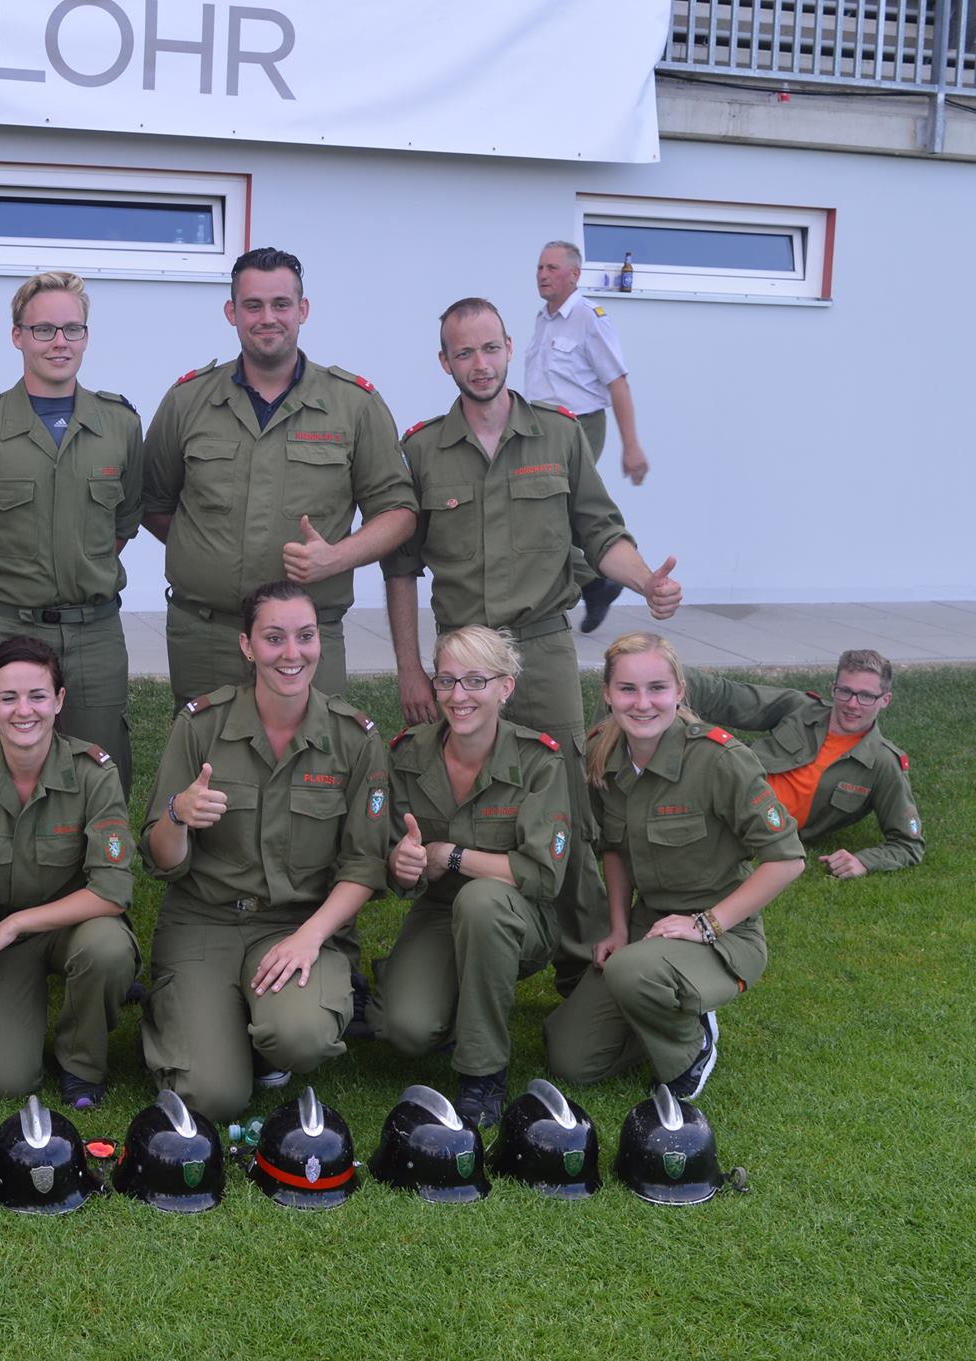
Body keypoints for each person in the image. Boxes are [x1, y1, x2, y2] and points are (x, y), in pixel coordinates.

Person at [385, 295, 681, 1000]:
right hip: (462, 658)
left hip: (541, 647)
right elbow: (400, 567)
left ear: (511, 347)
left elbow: (600, 531)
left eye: (490, 348)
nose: (480, 363)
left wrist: (645, 580)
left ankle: (582, 962)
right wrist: (410, 669)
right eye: (464, 352)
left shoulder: (559, 434)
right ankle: (476, 932)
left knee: (570, 796)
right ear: (444, 361)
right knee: (467, 791)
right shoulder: (422, 450)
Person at [140, 581, 390, 1121]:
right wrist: (178, 815)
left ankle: (258, 1035)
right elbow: (161, 860)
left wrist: (310, 938)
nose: (291, 653)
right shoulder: (201, 726)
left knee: (299, 1036)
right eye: (274, 638)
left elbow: (364, 864)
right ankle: (203, 1022)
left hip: (297, 924)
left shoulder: (355, 739)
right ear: (247, 646)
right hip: (205, 921)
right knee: (213, 1098)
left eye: (305, 636)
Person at [140, 247, 417, 703]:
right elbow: (152, 503)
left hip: (307, 637)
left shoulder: (354, 405)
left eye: (281, 304)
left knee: (312, 748)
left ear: (302, 310)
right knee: (204, 746)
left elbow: (399, 511)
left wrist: (337, 557)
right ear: (231, 312)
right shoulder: (188, 401)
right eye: (253, 305)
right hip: (207, 637)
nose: (267, 318)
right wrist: (206, 547)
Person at [544, 633, 806, 1100]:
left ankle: (693, 1046)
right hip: (649, 926)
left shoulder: (720, 760)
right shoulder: (603, 753)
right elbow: (613, 848)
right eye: (627, 689)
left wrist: (706, 924)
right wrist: (618, 928)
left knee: (631, 973)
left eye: (657, 688)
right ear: (607, 694)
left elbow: (787, 860)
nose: (642, 703)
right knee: (572, 1058)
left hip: (723, 933)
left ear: (680, 691)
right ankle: (659, 1005)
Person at [0, 272, 143, 794]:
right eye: (43, 329)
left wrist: (80, 570)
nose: (59, 342)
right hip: (7, 627)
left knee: (99, 773)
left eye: (72, 329)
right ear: (17, 336)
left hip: (94, 634)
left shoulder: (120, 425)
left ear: (87, 336)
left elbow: (121, 525)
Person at [369, 627, 573, 1129]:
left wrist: (451, 854)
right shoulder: (408, 754)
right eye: (447, 680)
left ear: (505, 687)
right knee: (406, 1030)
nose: (458, 696)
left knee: (481, 903)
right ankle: (441, 990)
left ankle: (484, 1072)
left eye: (476, 681)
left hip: (517, 914)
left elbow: (542, 875)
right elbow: (390, 854)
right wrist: (402, 863)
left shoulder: (538, 761)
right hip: (440, 911)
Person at [0, 635, 138, 1109]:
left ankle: (82, 1063)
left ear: (59, 700)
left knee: (107, 950)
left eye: (38, 696)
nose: (23, 711)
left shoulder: (94, 772)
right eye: (8, 697)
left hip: (75, 925)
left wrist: (17, 923)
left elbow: (111, 891)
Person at [682, 651, 924, 878]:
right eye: (844, 691)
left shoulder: (883, 763)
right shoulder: (801, 709)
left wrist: (864, 861)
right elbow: (723, 696)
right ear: (833, 688)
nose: (852, 704)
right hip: (714, 787)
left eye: (866, 696)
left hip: (751, 827)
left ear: (885, 700)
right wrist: (666, 668)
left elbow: (908, 844)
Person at [525, 241, 652, 632]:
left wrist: (631, 446)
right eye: (540, 267)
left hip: (578, 427)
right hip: (538, 429)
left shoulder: (589, 318)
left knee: (545, 513)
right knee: (538, 513)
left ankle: (599, 577)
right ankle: (597, 582)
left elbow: (618, 383)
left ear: (575, 274)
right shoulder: (543, 319)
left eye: (552, 268)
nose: (542, 275)